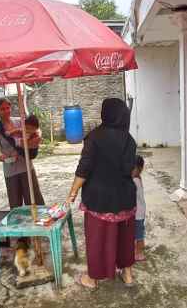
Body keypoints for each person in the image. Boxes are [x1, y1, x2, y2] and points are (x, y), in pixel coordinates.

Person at [65, 98, 137, 289]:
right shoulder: (129, 139)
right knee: (125, 237)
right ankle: (127, 274)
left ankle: (93, 278)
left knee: (97, 238)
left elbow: (84, 169)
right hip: (125, 198)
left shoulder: (94, 137)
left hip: (99, 199)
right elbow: (131, 169)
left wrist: (72, 192)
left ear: (105, 114)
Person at [0, 98, 44, 208]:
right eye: (2, 109)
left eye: (8, 108)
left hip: (26, 167)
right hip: (10, 170)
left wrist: (32, 142)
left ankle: (38, 223)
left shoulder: (20, 121)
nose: (6, 111)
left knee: (34, 201)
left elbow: (36, 130)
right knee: (15, 204)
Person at [133, 155, 146, 261]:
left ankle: (140, 253)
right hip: (140, 211)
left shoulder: (135, 181)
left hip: (138, 214)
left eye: (133, 168)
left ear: (140, 169)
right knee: (137, 233)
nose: (131, 170)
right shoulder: (137, 178)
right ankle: (137, 251)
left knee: (139, 235)